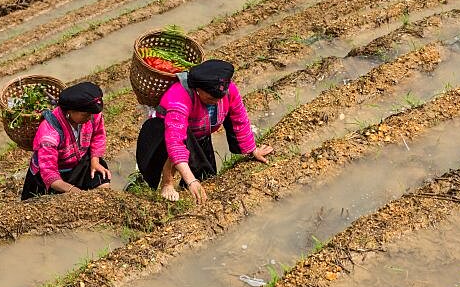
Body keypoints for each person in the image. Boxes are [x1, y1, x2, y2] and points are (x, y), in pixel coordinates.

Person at [135, 59, 273, 201]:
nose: (217, 101)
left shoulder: (228, 90)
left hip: (199, 132)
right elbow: (175, 142)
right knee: (175, 151)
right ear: (198, 90)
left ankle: (184, 185)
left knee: (206, 175)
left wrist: (252, 150)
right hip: (162, 134)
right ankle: (167, 183)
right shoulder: (179, 96)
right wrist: (191, 181)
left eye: (220, 98)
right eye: (211, 98)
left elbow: (239, 118)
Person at [20, 81, 112, 199]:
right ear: (70, 111)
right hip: (53, 173)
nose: (89, 118)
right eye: (85, 115)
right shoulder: (49, 133)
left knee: (102, 188)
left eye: (91, 114)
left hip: (80, 163)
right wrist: (73, 190)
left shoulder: (92, 115)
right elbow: (49, 173)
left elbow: (98, 136)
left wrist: (95, 161)